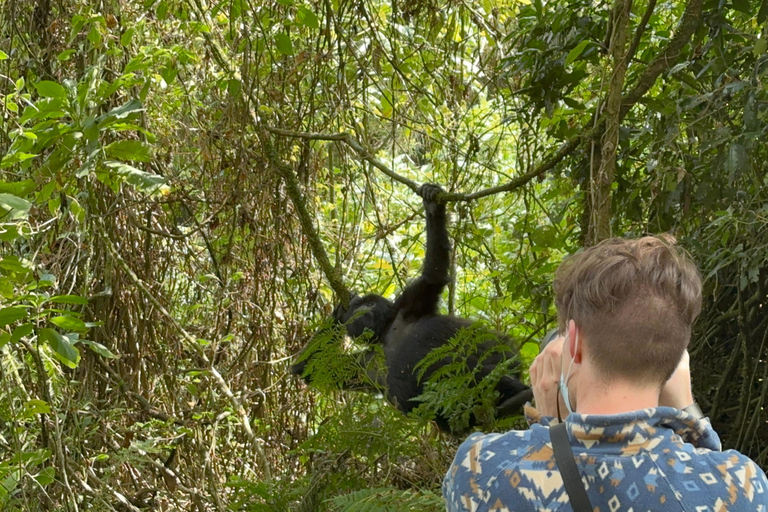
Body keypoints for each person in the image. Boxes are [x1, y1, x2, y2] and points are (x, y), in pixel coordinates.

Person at [443, 236, 768, 511]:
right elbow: (708, 486)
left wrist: (548, 428)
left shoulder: (480, 469)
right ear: (675, 362)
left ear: (573, 343)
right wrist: (689, 414)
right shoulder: (742, 485)